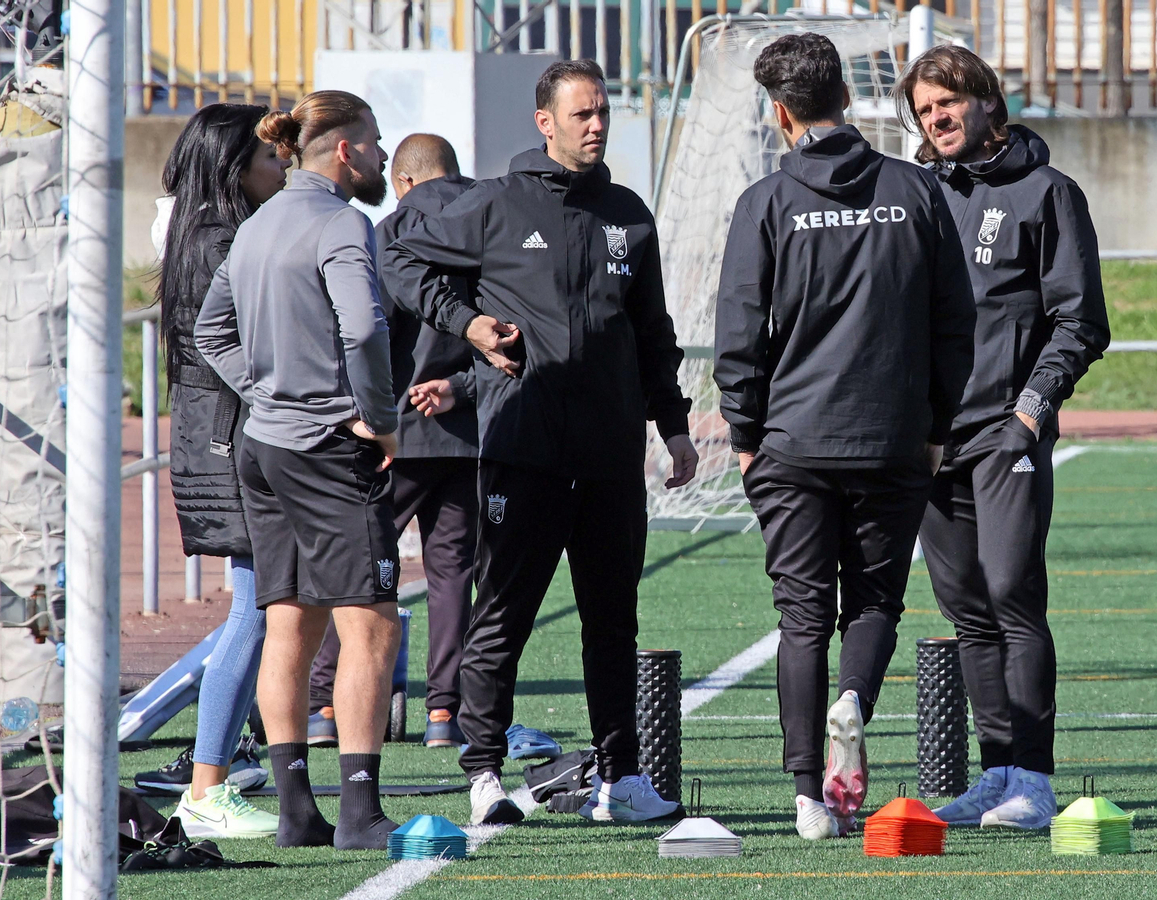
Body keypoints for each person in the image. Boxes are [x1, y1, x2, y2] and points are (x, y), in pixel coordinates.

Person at [383, 59, 698, 827]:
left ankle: (620, 777)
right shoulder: (493, 204)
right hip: (522, 450)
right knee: (505, 614)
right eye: (581, 114)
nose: (595, 125)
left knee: (612, 619)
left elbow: (653, 333)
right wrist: (466, 324)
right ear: (544, 122)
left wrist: (675, 425)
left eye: (602, 113)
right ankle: (485, 772)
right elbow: (394, 250)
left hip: (611, 455)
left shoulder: (629, 215)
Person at [713, 33, 976, 840]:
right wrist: (934, 427)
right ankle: (853, 702)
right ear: (849, 101)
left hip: (792, 442)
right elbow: (955, 323)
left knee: (801, 617)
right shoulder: (916, 189)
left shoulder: (766, 202)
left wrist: (745, 430)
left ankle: (806, 799)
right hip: (893, 440)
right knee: (873, 604)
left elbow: (737, 333)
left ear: (781, 113)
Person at [899, 45, 1111, 830]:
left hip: (1005, 433)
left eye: (949, 100)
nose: (937, 117)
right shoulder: (919, 195)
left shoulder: (1048, 193)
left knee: (1013, 596)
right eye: (924, 110)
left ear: (987, 100)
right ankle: (996, 774)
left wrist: (1029, 413)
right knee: (968, 613)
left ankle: (1036, 778)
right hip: (930, 443)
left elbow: (1081, 321)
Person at [195, 89, 405, 851]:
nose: (381, 155)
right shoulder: (341, 222)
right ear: (345, 150)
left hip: (265, 446)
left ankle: (296, 810)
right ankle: (359, 811)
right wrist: (380, 420)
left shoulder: (258, 226)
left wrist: (263, 390)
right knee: (372, 624)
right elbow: (366, 327)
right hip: (325, 448)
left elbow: (209, 329)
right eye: (375, 142)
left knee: (288, 620)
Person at [129, 104, 288, 842]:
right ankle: (206, 785)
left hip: (224, 438)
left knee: (265, 610)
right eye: (268, 160)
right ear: (233, 170)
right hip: (229, 444)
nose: (281, 169)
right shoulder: (220, 242)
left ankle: (231, 764)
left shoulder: (209, 233)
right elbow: (248, 348)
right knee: (253, 611)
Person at [306, 133, 481, 751]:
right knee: (452, 571)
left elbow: (362, 328)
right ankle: (444, 713)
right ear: (454, 174)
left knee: (358, 568)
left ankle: (325, 704)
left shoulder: (382, 234)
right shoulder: (488, 223)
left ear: (404, 182)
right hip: (465, 424)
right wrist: (463, 383)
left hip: (391, 427)